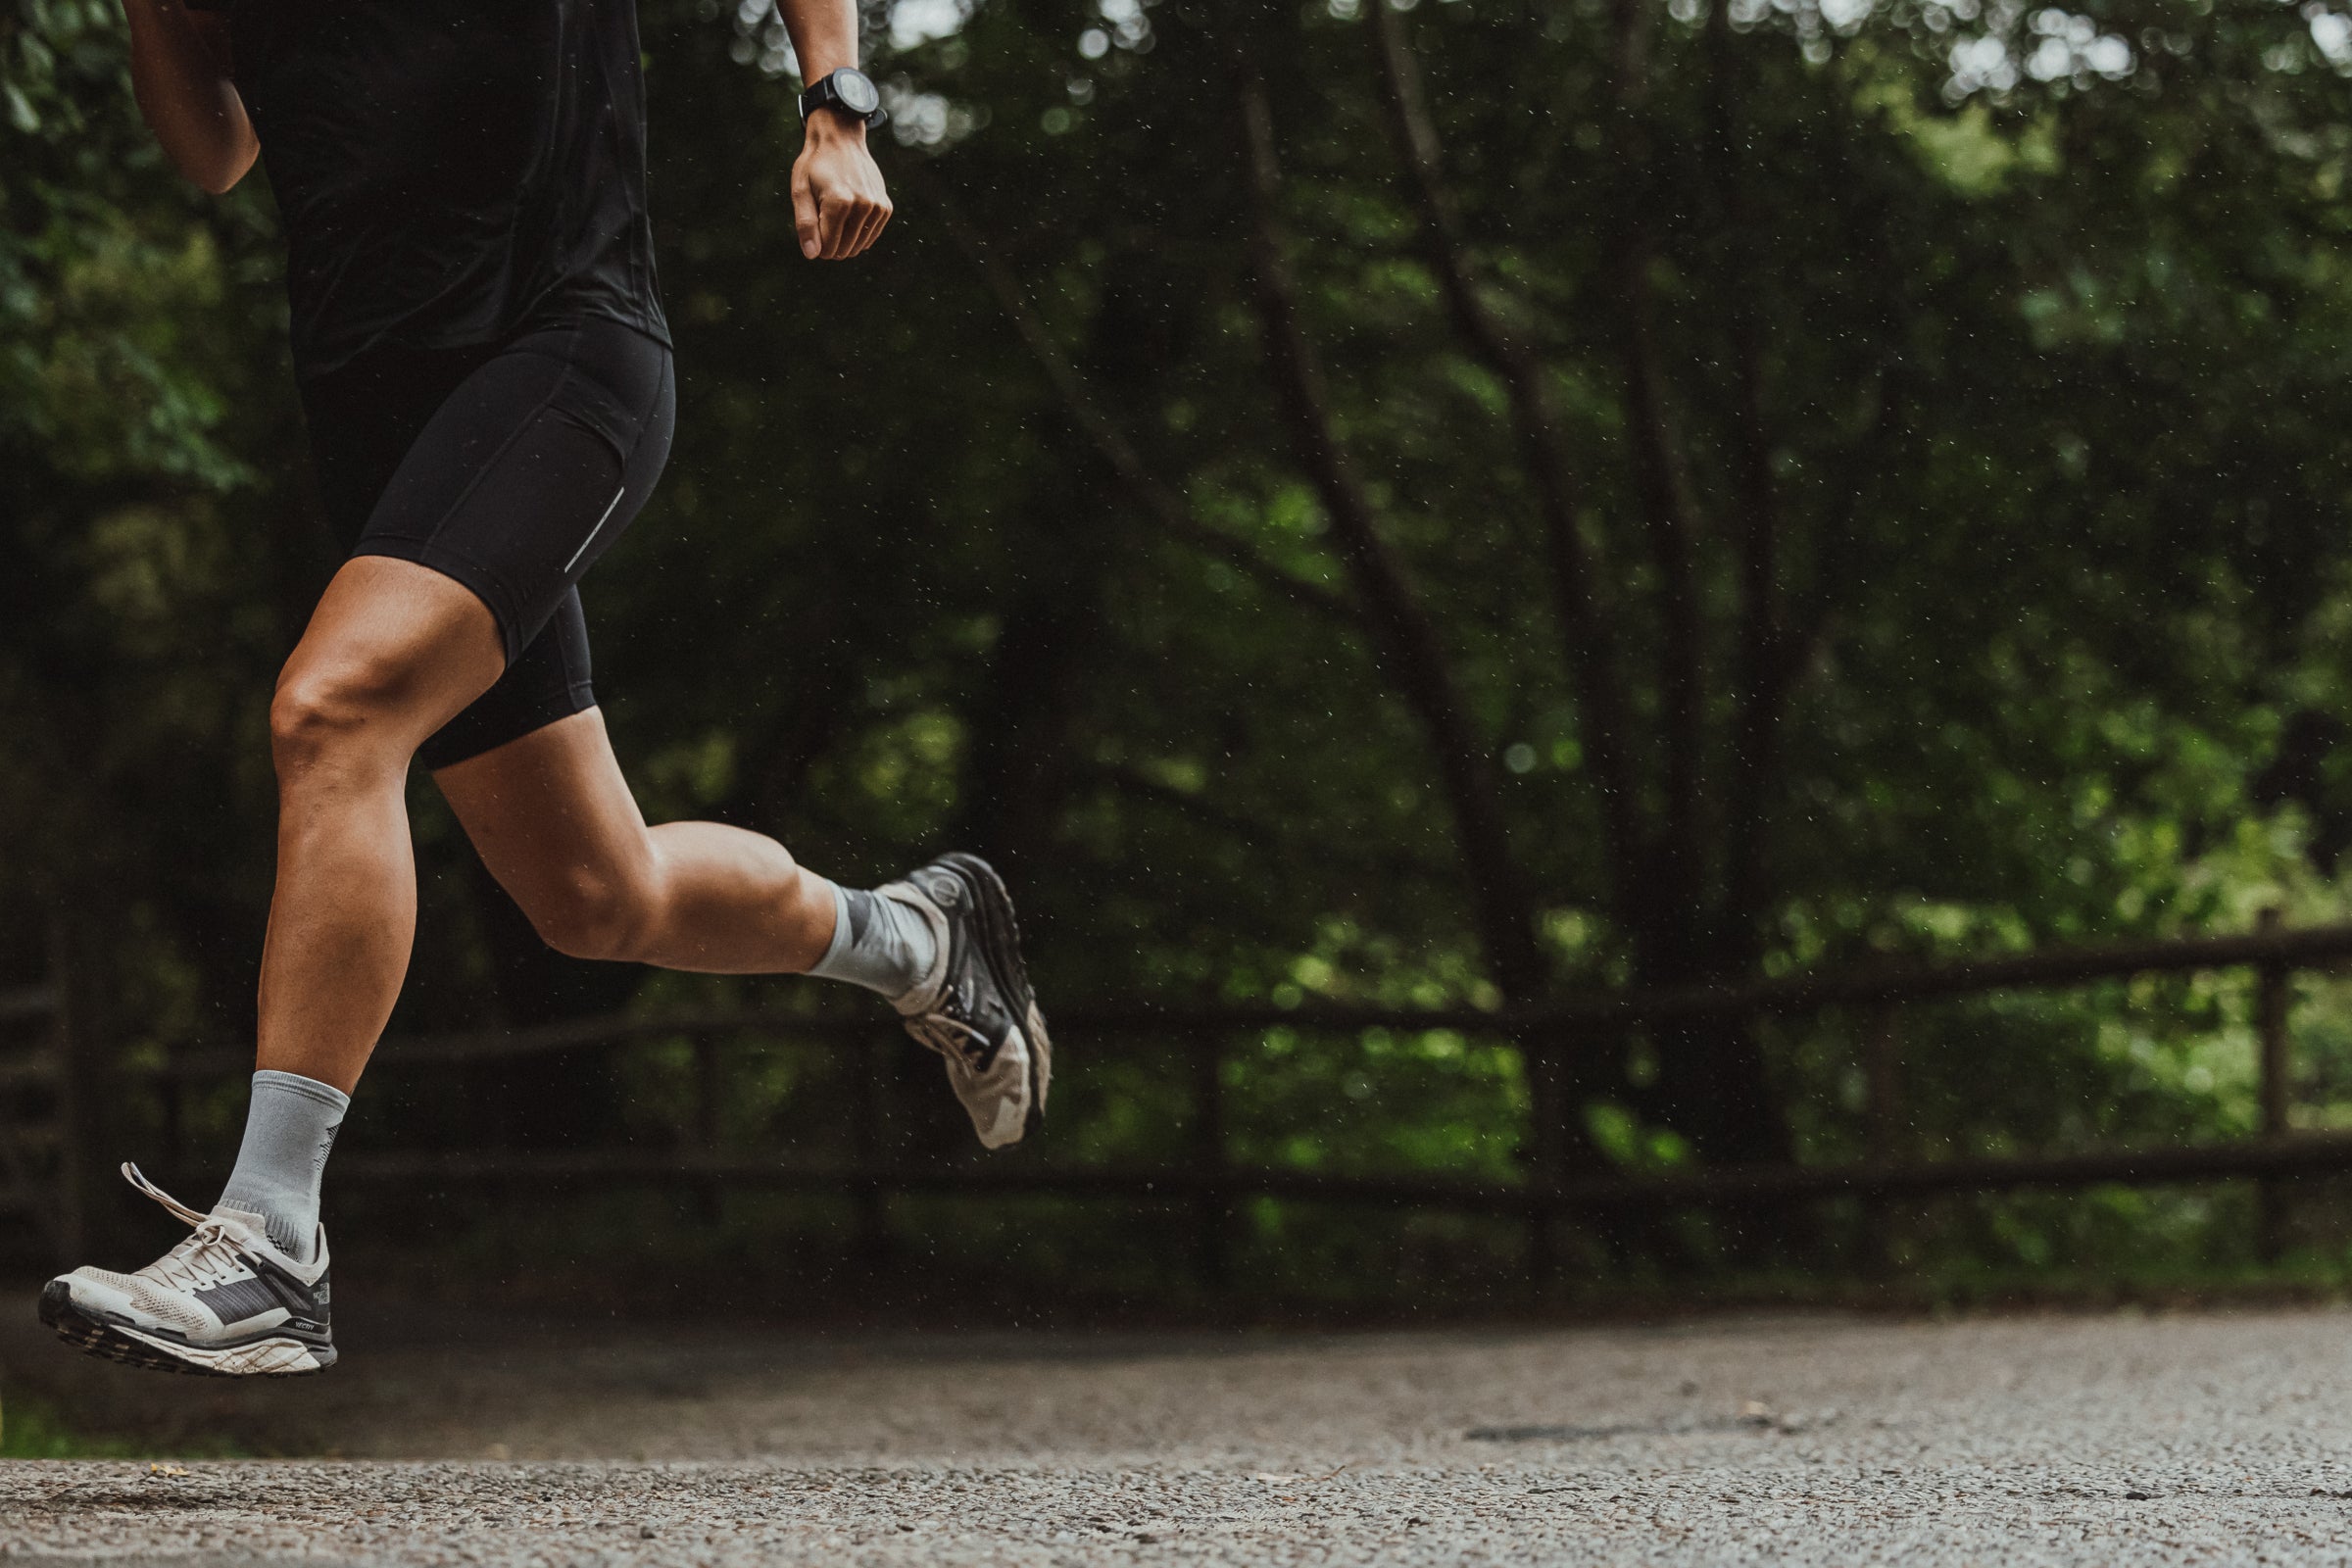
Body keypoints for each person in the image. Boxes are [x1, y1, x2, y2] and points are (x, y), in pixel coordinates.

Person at [38, 0, 1049, 1378]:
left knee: (332, 714)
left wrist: (839, 104)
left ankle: (272, 1237)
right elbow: (213, 150)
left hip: (562, 352)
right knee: (597, 894)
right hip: (389, 427)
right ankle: (920, 941)